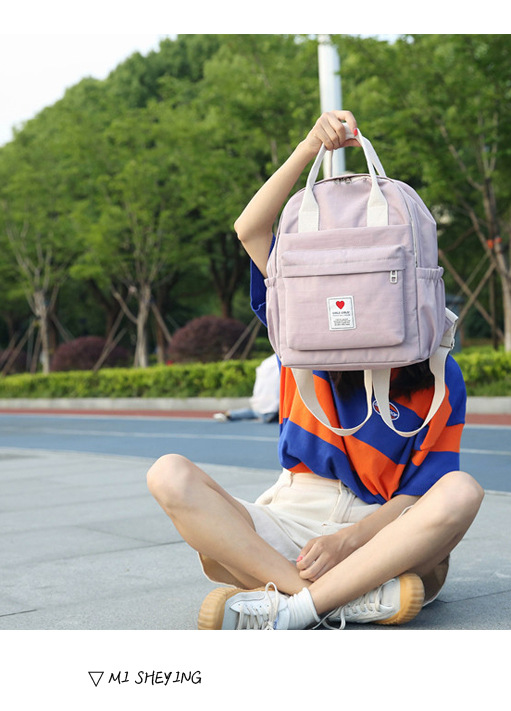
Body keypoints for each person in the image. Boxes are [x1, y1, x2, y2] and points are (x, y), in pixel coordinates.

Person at [147, 110, 484, 630]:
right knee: (168, 473)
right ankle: (329, 599)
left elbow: (420, 494)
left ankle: (289, 604)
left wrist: (350, 539)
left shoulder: (438, 371)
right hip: (292, 513)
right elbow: (249, 229)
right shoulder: (303, 329)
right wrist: (309, 148)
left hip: (382, 532)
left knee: (461, 491)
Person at [213, 354, 280, 423]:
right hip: (271, 412)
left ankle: (230, 414)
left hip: (263, 406)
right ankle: (231, 414)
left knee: (256, 412)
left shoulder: (268, 362)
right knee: (258, 413)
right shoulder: (278, 361)